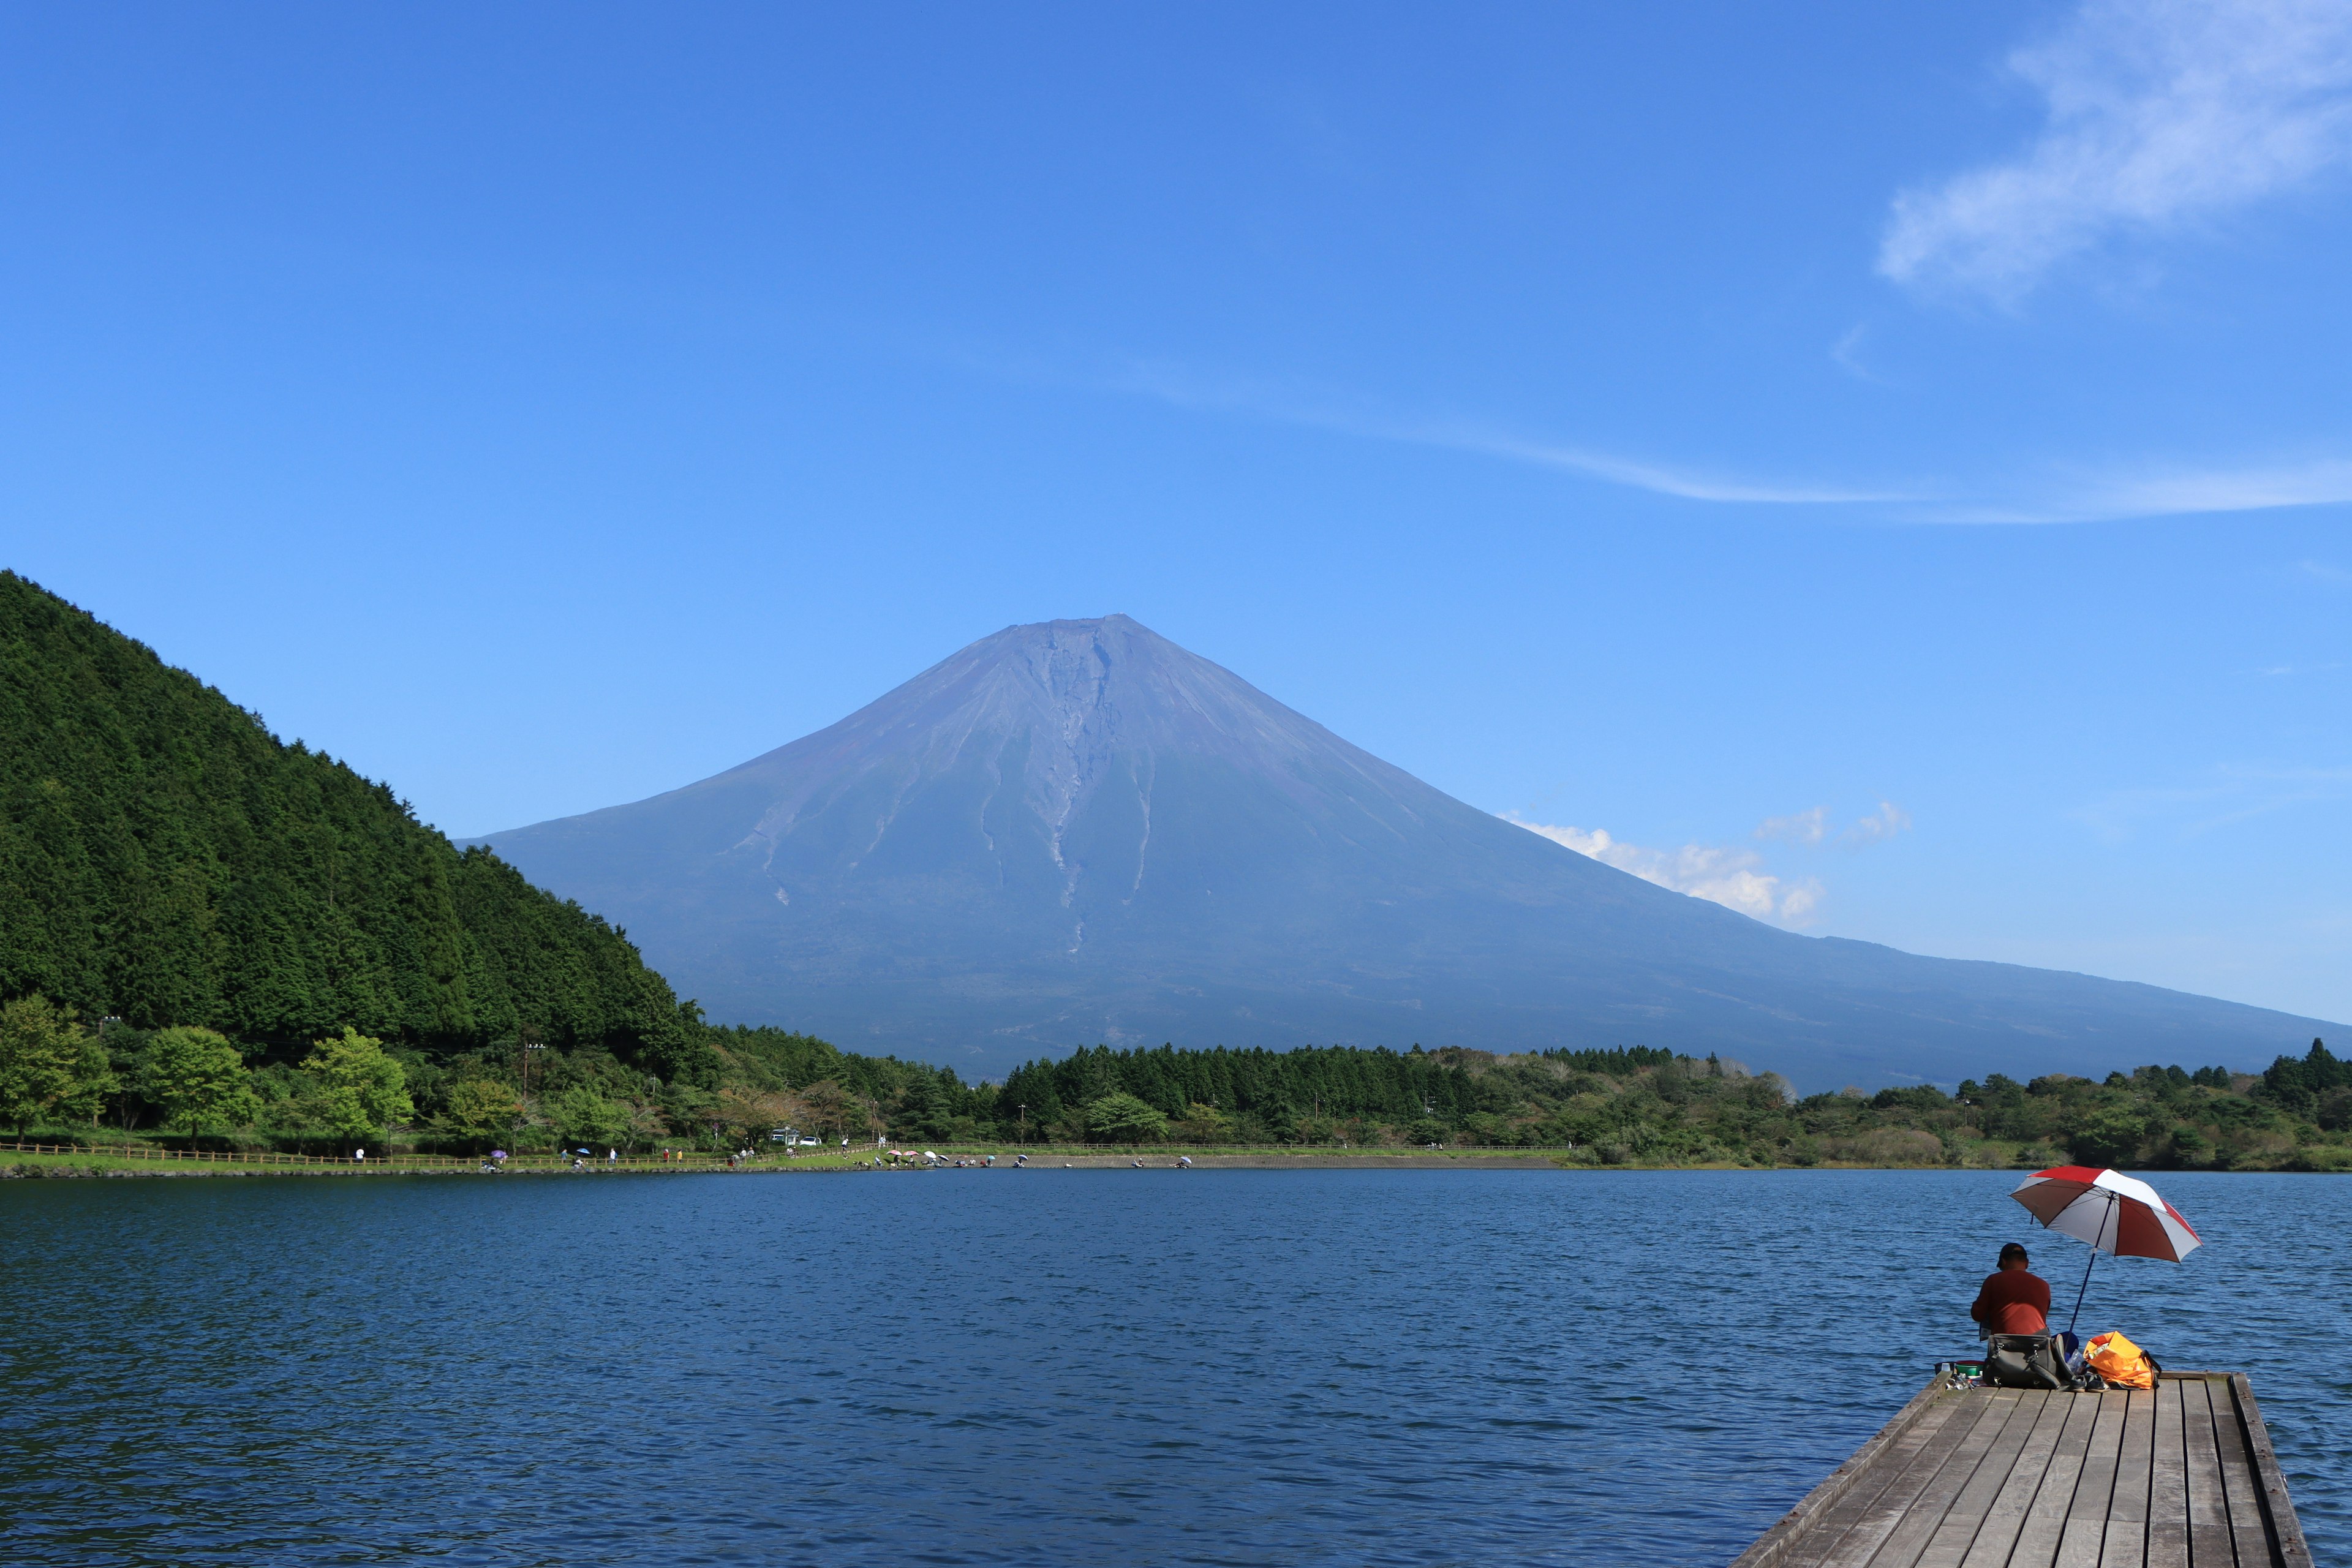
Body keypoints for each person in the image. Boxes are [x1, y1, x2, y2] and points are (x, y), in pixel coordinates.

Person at [1971, 1242, 2052, 1336]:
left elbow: (1977, 1315)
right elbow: (2043, 1314)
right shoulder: (2044, 1285)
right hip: (2039, 1343)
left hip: (2004, 1344)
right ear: (2027, 1263)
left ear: (2004, 1262)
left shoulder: (1993, 1280)